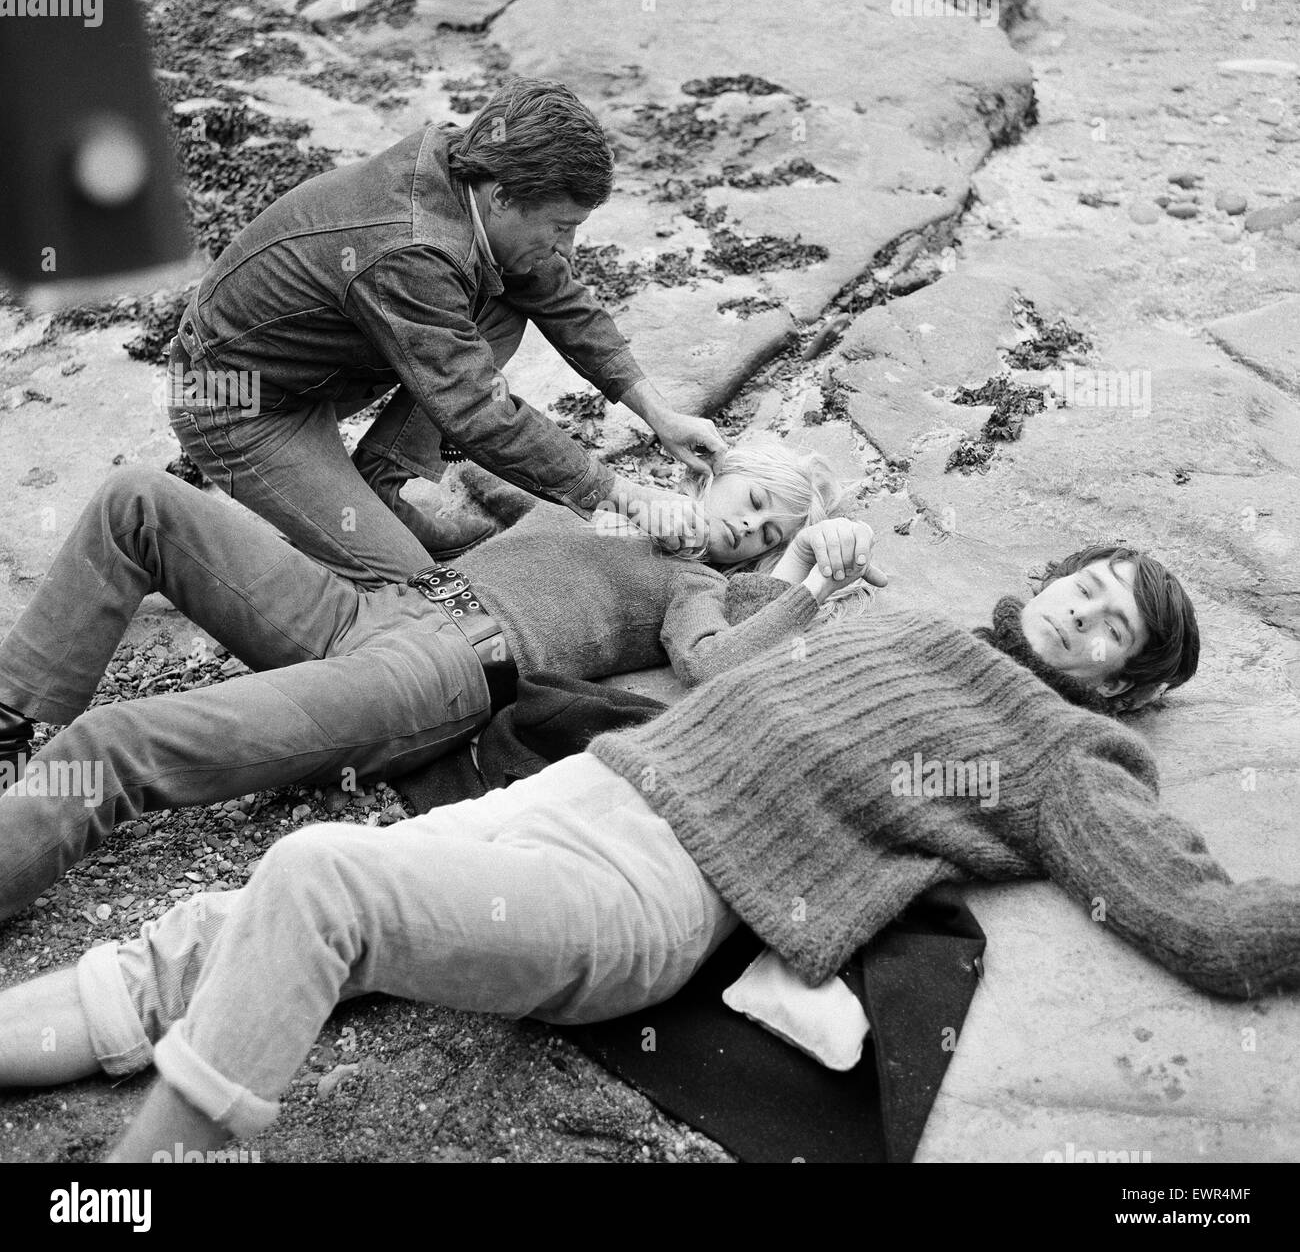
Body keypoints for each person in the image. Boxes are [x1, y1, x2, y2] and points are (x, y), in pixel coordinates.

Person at [8, 537, 1282, 1169]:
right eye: (1093, 579)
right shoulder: (896, 614)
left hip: (648, 889)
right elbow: (719, 660)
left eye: (1113, 623)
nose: (1083, 601)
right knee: (228, 925)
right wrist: (779, 580)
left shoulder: (1057, 747)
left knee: (318, 877)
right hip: (581, 789)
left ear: (1123, 685)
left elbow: (1202, 922)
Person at [0, 440, 882, 918]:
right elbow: (476, 454)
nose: (749, 530)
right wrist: (620, 472)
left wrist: (804, 576)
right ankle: (8, 723)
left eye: (770, 534)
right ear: (716, 477)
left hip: (439, 670)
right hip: (369, 608)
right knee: (139, 499)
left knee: (112, 744)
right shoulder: (604, 502)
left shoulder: (694, 586)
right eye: (754, 504)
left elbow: (715, 661)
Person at [166, 76, 725, 584]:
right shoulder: (413, 252)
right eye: (562, 227)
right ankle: (191, 543)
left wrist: (662, 417)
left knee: (509, 295)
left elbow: (559, 296)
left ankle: (376, 489)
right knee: (410, 584)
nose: (566, 249)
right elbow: (478, 411)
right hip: (235, 403)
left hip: (316, 369)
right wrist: (618, 494)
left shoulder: (474, 164)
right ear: (502, 197)